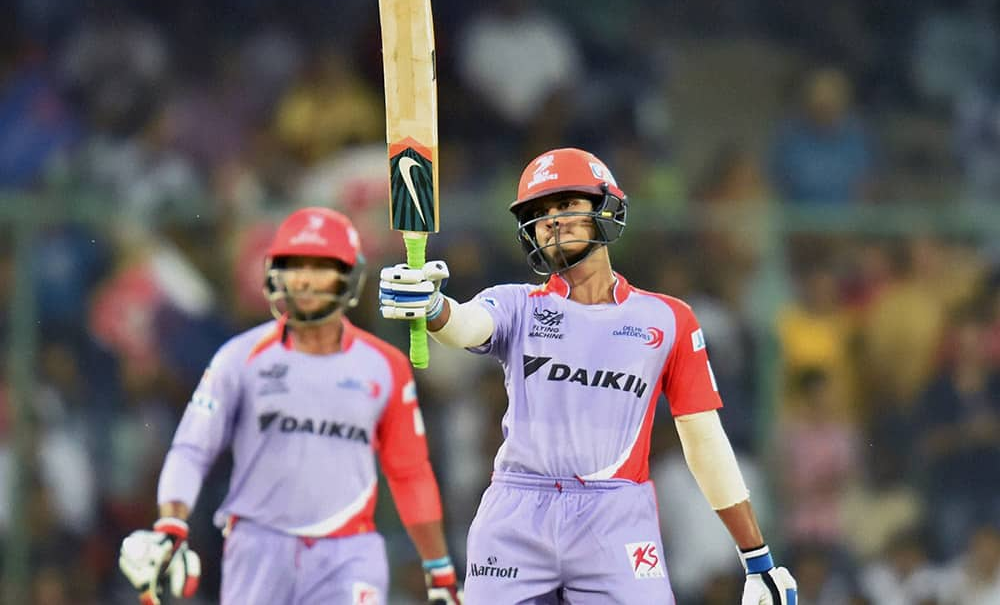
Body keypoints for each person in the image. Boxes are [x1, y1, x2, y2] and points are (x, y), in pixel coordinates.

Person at [380, 148, 797, 604]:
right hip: (516, 518)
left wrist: (757, 556)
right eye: (540, 213)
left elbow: (704, 441)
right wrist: (435, 307)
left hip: (615, 519)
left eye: (566, 205)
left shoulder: (669, 320)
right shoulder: (519, 303)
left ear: (605, 207)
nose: (553, 221)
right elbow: (464, 325)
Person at [118, 207, 462, 605]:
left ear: (349, 275)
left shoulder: (386, 366)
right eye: (294, 266)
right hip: (257, 549)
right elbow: (193, 448)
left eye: (319, 267)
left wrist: (439, 570)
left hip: (349, 553)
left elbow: (410, 473)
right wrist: (171, 524)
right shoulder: (239, 357)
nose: (304, 279)